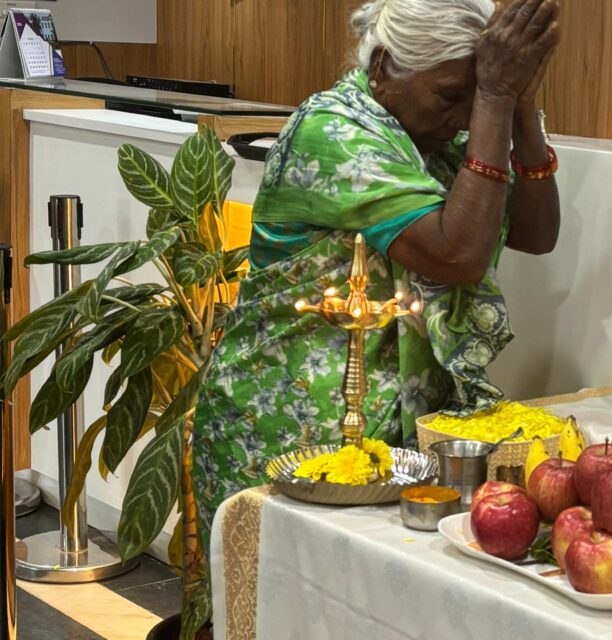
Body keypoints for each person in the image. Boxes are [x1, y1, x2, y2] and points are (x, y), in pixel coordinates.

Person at [193, 0, 561, 536]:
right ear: (383, 67)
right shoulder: (332, 132)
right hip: (295, 438)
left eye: (476, 96)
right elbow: (456, 255)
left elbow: (535, 235)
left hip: (398, 441)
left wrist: (520, 106)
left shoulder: (439, 137)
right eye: (451, 96)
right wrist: (495, 99)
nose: (465, 116)